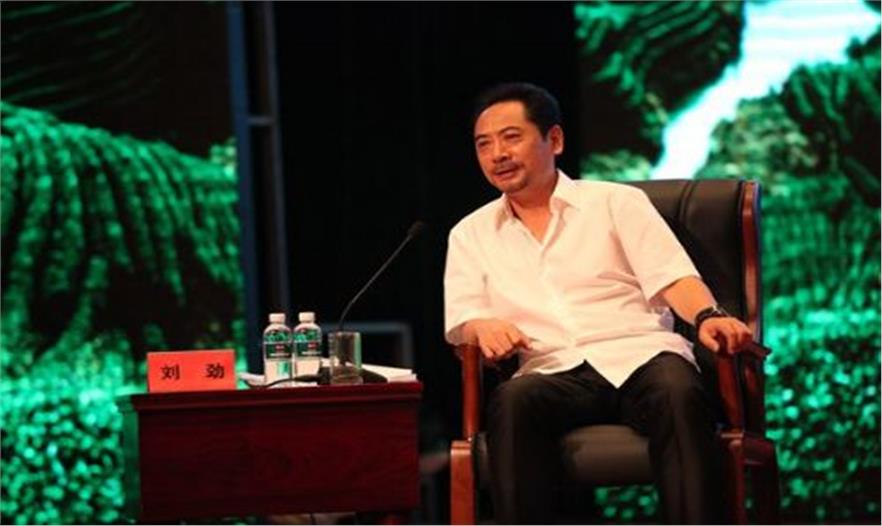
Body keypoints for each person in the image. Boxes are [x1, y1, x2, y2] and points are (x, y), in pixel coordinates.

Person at [443, 82, 754, 524]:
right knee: (512, 402)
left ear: (554, 140)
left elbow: (673, 278)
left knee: (677, 390)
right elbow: (464, 319)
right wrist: (482, 327)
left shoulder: (615, 202)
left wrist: (707, 316)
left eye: (511, 137)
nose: (497, 154)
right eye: (484, 144)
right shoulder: (469, 234)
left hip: (640, 355)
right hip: (550, 370)